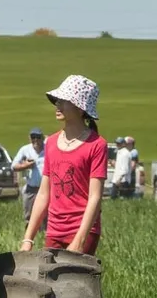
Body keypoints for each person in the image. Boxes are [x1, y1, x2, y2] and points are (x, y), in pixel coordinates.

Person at [20, 76, 107, 256]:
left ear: (80, 107)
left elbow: (95, 197)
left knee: (76, 282)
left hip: (83, 230)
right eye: (57, 100)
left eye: (64, 100)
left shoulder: (97, 144)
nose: (57, 104)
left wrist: (79, 240)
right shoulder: (51, 143)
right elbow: (44, 193)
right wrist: (28, 238)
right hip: (54, 230)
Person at [12, 128, 46, 222]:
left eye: (38, 137)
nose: (35, 139)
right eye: (33, 137)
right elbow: (14, 166)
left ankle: (44, 235)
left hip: (46, 188)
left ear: (42, 137)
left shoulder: (48, 148)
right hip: (31, 188)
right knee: (29, 215)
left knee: (46, 215)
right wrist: (26, 165)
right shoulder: (25, 149)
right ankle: (29, 235)